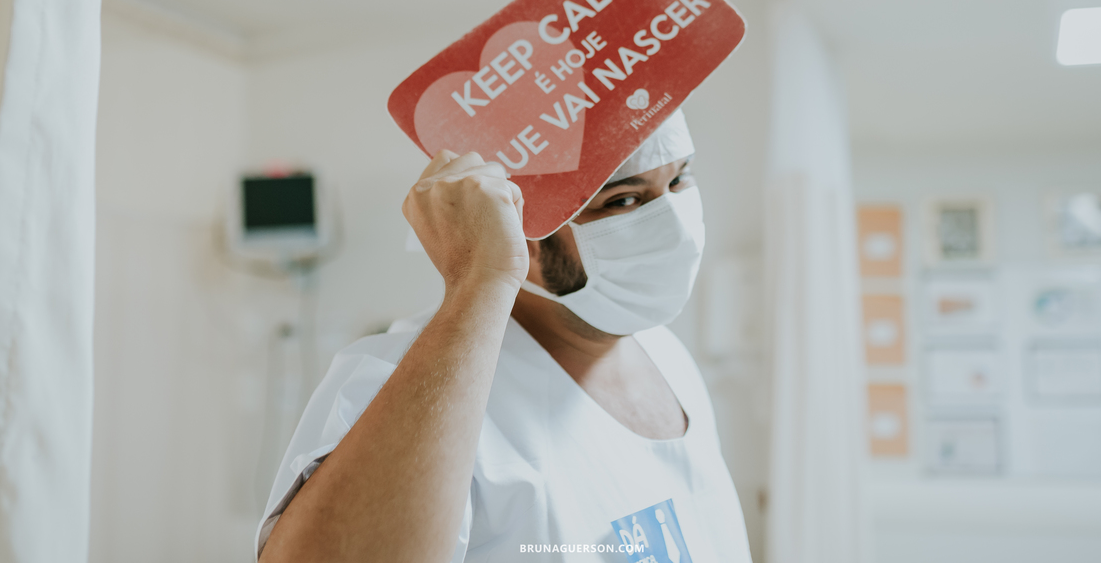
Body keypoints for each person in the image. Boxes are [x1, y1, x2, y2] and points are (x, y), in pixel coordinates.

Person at [256, 110, 752, 562]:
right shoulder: (402, 382)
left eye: (680, 178)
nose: (675, 224)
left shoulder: (665, 352)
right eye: (623, 199)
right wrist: (480, 279)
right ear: (525, 236)